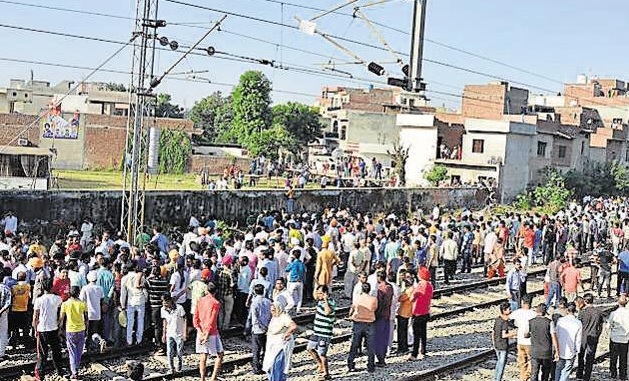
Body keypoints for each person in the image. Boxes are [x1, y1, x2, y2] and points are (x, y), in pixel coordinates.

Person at [194, 282, 224, 381]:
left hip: (201, 331)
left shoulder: (200, 300)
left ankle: (202, 378)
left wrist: (199, 330)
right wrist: (207, 334)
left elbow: (195, 317)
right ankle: (213, 377)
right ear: (216, 291)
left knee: (203, 356)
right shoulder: (216, 303)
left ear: (207, 290)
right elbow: (212, 319)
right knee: (220, 354)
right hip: (211, 332)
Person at [262, 299, 298, 381]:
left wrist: (287, 333)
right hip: (273, 346)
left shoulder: (284, 317)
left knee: (277, 365)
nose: (273, 312)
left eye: (274, 310)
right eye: (271, 310)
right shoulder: (275, 317)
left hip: (280, 346)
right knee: (269, 365)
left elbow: (293, 326)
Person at [307, 285, 336, 381]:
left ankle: (326, 373)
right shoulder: (319, 302)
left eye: (320, 293)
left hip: (325, 333)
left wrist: (326, 300)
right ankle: (320, 364)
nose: (318, 295)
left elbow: (327, 312)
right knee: (310, 348)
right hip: (316, 331)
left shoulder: (331, 302)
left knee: (322, 353)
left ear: (325, 294)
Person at [347, 282, 377, 373]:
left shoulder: (357, 298)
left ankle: (351, 364)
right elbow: (374, 309)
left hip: (358, 323)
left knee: (354, 345)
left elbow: (352, 308)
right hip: (369, 324)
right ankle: (371, 366)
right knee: (370, 347)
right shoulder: (374, 299)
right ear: (369, 290)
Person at [59, 286, 88, 380]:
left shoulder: (65, 304)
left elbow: (61, 319)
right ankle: (76, 368)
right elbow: (86, 319)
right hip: (81, 329)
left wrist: (60, 329)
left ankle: (74, 372)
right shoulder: (82, 304)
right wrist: (86, 329)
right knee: (79, 352)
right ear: (78, 293)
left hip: (70, 330)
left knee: (72, 352)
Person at [576, 293, 605, 381]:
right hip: (593, 336)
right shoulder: (598, 312)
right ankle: (587, 376)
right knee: (590, 358)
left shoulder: (582, 312)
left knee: (581, 356)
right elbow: (601, 326)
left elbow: (578, 325)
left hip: (583, 337)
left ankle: (579, 374)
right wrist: (598, 335)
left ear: (585, 301)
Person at [526, 303, 558, 381]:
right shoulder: (549, 322)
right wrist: (557, 351)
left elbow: (526, 334)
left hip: (534, 351)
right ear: (545, 311)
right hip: (546, 352)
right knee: (546, 372)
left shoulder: (530, 321)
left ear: (537, 311)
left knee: (534, 373)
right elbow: (554, 337)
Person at [120, 261, 147, 346]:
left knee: (130, 321)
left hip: (130, 301)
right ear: (135, 267)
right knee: (140, 320)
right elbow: (144, 290)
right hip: (140, 300)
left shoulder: (124, 278)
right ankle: (139, 340)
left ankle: (129, 340)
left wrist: (123, 305)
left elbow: (123, 293)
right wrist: (146, 299)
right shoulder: (140, 276)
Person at [510, 295, 536, 381]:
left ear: (522, 302)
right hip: (530, 342)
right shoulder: (534, 314)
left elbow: (510, 321)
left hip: (520, 341)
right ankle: (525, 376)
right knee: (532, 362)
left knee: (522, 363)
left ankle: (522, 378)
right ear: (530, 303)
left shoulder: (516, 312)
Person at [554, 302, 582, 381]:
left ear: (567, 310)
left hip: (559, 349)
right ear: (575, 310)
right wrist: (577, 350)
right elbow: (578, 340)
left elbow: (556, 333)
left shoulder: (560, 320)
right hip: (571, 350)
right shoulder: (578, 323)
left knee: (558, 368)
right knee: (566, 370)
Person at [249, 283, 272, 375]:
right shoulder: (268, 302)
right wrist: (267, 327)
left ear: (255, 291)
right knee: (266, 349)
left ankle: (256, 368)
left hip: (257, 329)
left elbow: (255, 318)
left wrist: (261, 327)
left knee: (256, 350)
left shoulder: (254, 303)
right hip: (268, 329)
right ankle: (265, 365)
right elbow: (271, 316)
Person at [80, 271, 105, 354]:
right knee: (94, 331)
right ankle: (99, 341)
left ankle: (85, 348)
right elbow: (102, 300)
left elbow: (81, 300)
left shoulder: (85, 288)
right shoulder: (100, 288)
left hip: (87, 314)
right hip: (97, 313)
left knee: (86, 332)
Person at [161, 294, 187, 374]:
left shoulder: (179, 308)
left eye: (166, 302)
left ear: (170, 301)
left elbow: (185, 319)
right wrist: (164, 334)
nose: (164, 304)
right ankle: (171, 368)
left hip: (179, 334)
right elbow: (164, 321)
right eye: (163, 303)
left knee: (179, 352)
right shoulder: (163, 309)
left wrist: (185, 332)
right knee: (169, 352)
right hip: (169, 333)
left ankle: (179, 367)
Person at [493, 301, 516, 381]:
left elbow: (493, 332)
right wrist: (514, 333)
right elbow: (504, 335)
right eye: (509, 309)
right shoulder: (505, 322)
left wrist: (494, 343)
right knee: (501, 365)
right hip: (503, 346)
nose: (510, 310)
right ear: (505, 311)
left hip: (496, 344)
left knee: (498, 363)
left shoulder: (497, 319)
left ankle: (495, 378)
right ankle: (498, 379)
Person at [374, 270, 393, 367]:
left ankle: (380, 358)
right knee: (385, 337)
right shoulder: (390, 287)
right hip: (387, 314)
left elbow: (379, 303)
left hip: (380, 316)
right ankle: (383, 357)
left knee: (378, 338)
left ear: (378, 278)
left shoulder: (380, 289)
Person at [608, 295, 629, 380]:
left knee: (613, 357)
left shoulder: (614, 313)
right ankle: (623, 375)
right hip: (625, 339)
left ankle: (613, 373)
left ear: (618, 303)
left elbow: (608, 326)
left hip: (615, 338)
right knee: (623, 357)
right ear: (626, 303)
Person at [285, 249, 305, 314]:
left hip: (293, 282)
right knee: (300, 297)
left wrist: (291, 262)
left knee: (289, 296)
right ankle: (298, 310)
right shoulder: (302, 264)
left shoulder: (293, 263)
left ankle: (287, 309)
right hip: (300, 281)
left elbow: (287, 269)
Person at [0, 275, 10, 360]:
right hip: (2, 313)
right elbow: (8, 303)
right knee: (3, 333)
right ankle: (1, 353)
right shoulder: (6, 288)